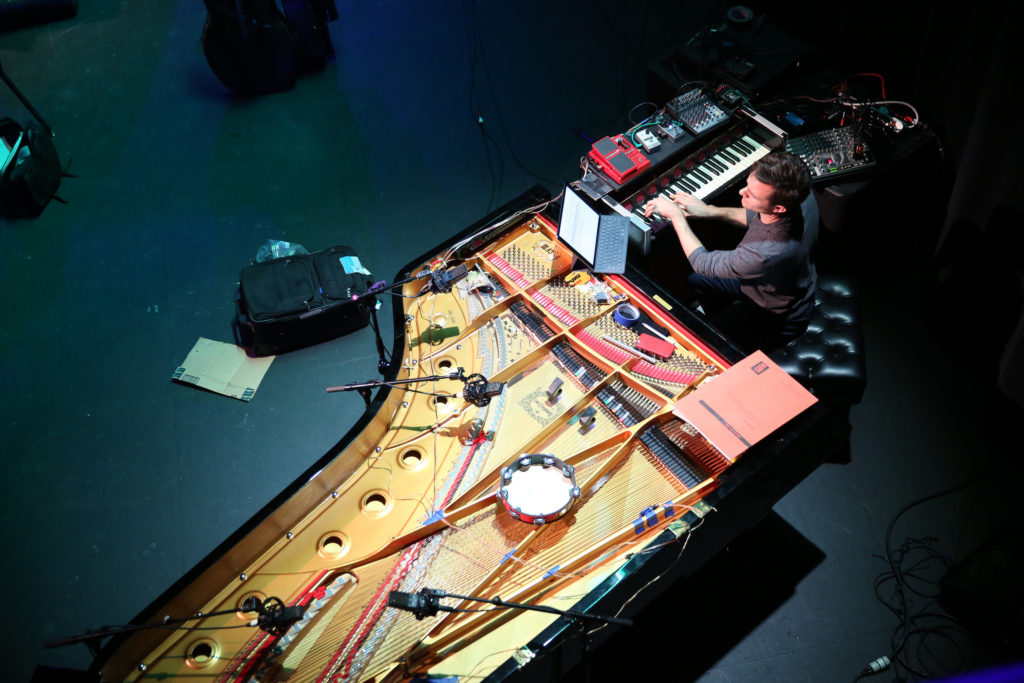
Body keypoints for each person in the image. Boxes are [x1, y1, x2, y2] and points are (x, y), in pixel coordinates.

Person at [643, 151, 817, 352]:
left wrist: (676, 216)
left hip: (774, 315)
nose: (741, 192)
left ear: (779, 208)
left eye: (751, 194)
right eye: (747, 186)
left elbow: (702, 262)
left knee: (710, 335)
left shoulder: (766, 254)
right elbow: (756, 215)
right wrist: (710, 210)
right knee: (697, 281)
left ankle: (723, 335)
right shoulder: (802, 195)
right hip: (778, 283)